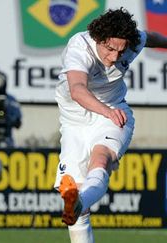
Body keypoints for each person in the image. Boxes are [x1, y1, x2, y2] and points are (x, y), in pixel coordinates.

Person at [54, 7, 167, 243]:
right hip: (75, 121)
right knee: (78, 211)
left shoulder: (131, 42)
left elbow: (152, 38)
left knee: (101, 158)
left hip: (114, 112)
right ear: (98, 37)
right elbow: (77, 90)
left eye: (121, 50)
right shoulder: (80, 46)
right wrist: (106, 110)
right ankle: (79, 202)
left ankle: (79, 201)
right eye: (110, 48)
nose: (115, 57)